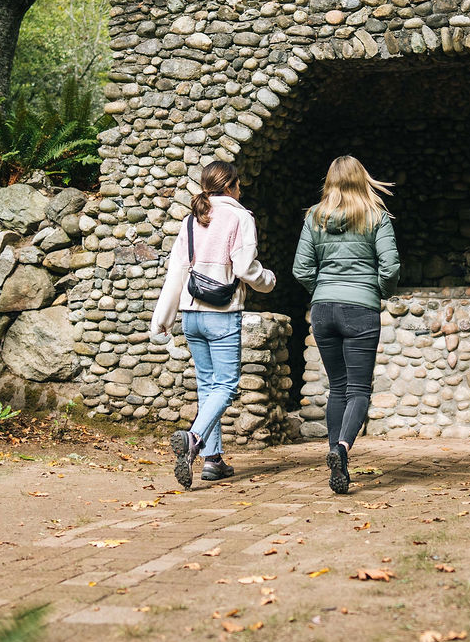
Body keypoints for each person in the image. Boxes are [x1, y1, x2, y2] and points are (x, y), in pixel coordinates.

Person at [151, 160, 275, 489]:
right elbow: (246, 268)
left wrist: (163, 317)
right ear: (232, 186)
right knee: (227, 386)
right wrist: (269, 281)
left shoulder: (192, 219)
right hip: (222, 313)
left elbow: (176, 270)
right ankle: (193, 439)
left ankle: (213, 461)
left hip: (191, 314)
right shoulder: (240, 216)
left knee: (208, 387)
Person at [293, 156, 401, 495]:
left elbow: (301, 269)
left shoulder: (314, 217)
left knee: (337, 387)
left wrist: (322, 291)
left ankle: (333, 453)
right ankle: (341, 449)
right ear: (362, 179)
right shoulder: (376, 218)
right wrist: (376, 291)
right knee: (359, 390)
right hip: (361, 310)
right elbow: (391, 267)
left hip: (323, 310)